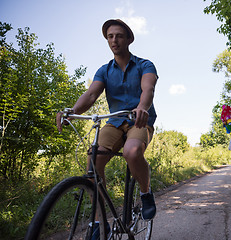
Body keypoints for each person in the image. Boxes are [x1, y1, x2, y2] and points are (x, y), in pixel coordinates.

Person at [56, 19, 158, 231]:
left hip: (138, 119)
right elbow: (91, 94)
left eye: (119, 36)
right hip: (115, 122)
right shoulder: (104, 70)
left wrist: (142, 107)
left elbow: (148, 89)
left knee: (131, 152)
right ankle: (98, 222)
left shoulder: (144, 65)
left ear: (129, 39)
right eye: (110, 36)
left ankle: (146, 192)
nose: (114, 40)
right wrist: (72, 112)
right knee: (93, 160)